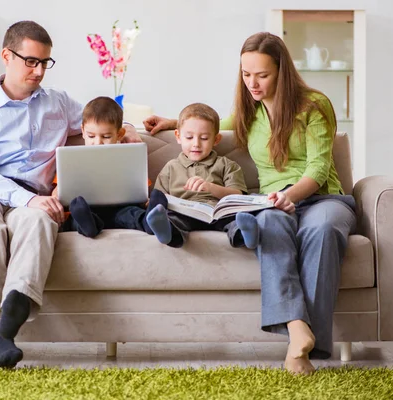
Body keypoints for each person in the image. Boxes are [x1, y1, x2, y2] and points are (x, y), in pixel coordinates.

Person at [143, 32, 357, 375]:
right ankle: (296, 328)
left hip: (320, 197)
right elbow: (217, 125)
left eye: (262, 75)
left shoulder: (314, 105)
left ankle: (307, 346)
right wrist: (172, 122)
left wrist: (291, 196)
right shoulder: (249, 110)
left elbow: (318, 167)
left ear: (281, 71)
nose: (252, 83)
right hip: (269, 200)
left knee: (322, 229)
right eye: (246, 74)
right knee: (268, 226)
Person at [0, 21, 140, 369]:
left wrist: (134, 131)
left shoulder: (60, 103)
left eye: (45, 63)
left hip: (34, 197)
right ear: (7, 56)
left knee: (40, 221)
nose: (38, 71)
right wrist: (28, 199)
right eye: (31, 61)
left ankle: (15, 307)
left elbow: (101, 120)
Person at [55, 96, 169, 240]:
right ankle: (88, 226)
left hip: (120, 209)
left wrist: (146, 199)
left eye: (106, 136)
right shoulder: (72, 158)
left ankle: (150, 221)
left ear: (120, 134)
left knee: (132, 214)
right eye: (91, 136)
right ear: (82, 131)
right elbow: (60, 188)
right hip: (89, 211)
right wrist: (56, 193)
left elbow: (140, 188)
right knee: (75, 217)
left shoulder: (127, 156)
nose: (98, 142)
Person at [149, 102, 260, 249]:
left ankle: (245, 234)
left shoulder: (227, 165)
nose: (196, 144)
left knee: (233, 218)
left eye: (204, 138)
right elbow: (160, 197)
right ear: (178, 136)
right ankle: (167, 232)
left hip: (217, 212)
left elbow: (237, 194)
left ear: (216, 140)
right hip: (184, 213)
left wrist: (210, 187)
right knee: (173, 218)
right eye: (189, 137)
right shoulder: (171, 167)